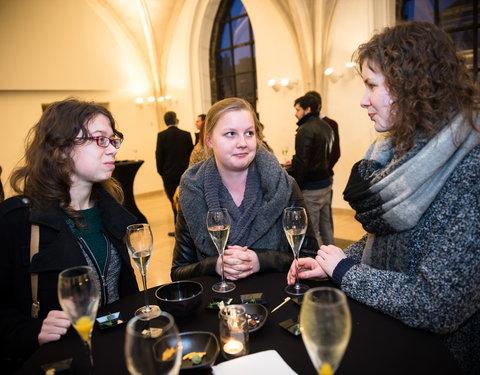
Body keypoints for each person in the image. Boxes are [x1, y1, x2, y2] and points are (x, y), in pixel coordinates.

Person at [288, 22, 480, 374]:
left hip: (441, 358)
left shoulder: (472, 169)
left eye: (372, 85)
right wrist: (336, 259)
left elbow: (437, 303)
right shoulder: (404, 150)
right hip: (393, 334)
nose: (363, 100)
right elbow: (389, 236)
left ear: (412, 87)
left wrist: (345, 271)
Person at [0, 99, 139, 371]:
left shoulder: (111, 211)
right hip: (61, 360)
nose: (112, 149)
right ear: (61, 149)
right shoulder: (16, 220)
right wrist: (32, 330)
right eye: (100, 140)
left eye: (113, 140)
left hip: (115, 353)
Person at [171, 97, 318, 281]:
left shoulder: (284, 184)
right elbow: (178, 271)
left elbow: (310, 258)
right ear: (209, 139)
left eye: (249, 133)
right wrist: (215, 265)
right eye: (230, 134)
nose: (243, 142)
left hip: (277, 299)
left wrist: (261, 260)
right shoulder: (192, 189)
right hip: (217, 304)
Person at [289, 94, 334, 246]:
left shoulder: (305, 129)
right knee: (326, 225)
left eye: (298, 109)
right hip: (326, 183)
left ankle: (321, 265)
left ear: (307, 110)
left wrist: (298, 187)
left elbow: (303, 162)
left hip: (312, 186)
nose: (296, 113)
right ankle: (334, 258)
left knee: (312, 229)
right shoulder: (326, 126)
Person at [155, 111, 194, 235]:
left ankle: (179, 231)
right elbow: (190, 155)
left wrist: (162, 172)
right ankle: (189, 230)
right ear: (176, 120)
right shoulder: (186, 135)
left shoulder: (161, 136)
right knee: (186, 202)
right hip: (185, 173)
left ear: (165, 121)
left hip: (169, 175)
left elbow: (159, 156)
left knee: (174, 203)